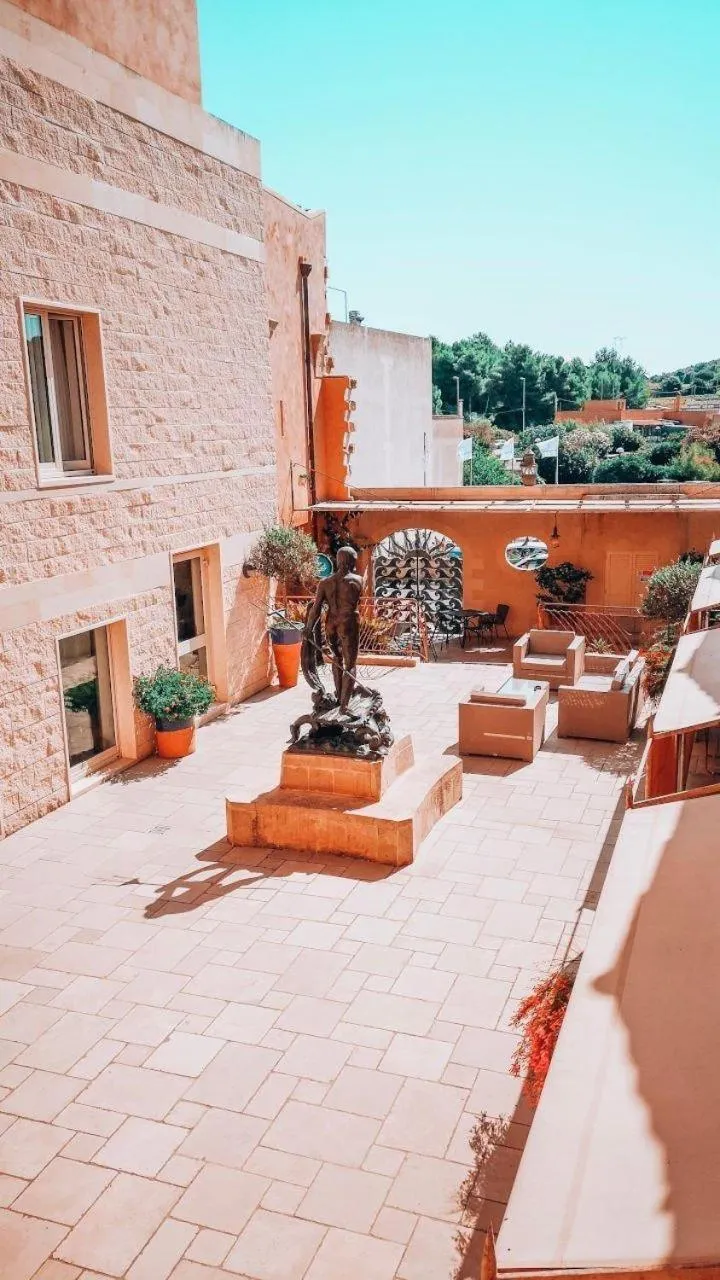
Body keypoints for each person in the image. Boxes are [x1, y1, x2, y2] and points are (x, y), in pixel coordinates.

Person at [304, 545, 362, 712]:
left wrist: (308, 628)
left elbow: (315, 609)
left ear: (338, 561)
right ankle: (344, 705)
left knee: (337, 659)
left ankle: (339, 698)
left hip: (331, 623)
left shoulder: (325, 582)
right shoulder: (358, 580)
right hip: (348, 623)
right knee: (350, 664)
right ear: (352, 561)